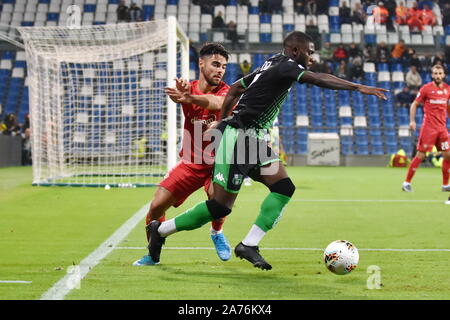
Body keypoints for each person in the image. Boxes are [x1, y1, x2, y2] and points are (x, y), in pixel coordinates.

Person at [145, 31, 388, 270]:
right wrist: (357, 87)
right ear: (295, 51)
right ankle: (161, 230)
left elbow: (235, 88)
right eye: (309, 52)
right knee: (220, 207)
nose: (312, 58)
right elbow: (317, 78)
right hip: (239, 137)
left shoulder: (272, 62)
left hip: (255, 139)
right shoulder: (287, 66)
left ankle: (249, 244)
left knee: (284, 188)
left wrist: (219, 120)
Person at [133, 43, 233, 266]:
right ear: (201, 63)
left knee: (219, 202)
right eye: (216, 64)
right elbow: (179, 97)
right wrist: (181, 97)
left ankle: (217, 232)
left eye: (224, 67)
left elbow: (217, 102)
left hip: (218, 164)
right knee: (156, 206)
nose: (220, 70)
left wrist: (190, 99)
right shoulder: (189, 88)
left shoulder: (227, 90)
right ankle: (153, 254)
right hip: (191, 163)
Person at [402, 64, 450, 192]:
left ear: (444, 75)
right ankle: (406, 183)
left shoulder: (447, 89)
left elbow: (448, 106)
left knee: (448, 155)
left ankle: (445, 185)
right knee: (421, 155)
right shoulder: (426, 89)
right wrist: (412, 121)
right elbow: (414, 104)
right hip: (429, 128)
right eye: (435, 73)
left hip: (442, 129)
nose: (438, 76)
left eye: (440, 73)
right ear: (432, 75)